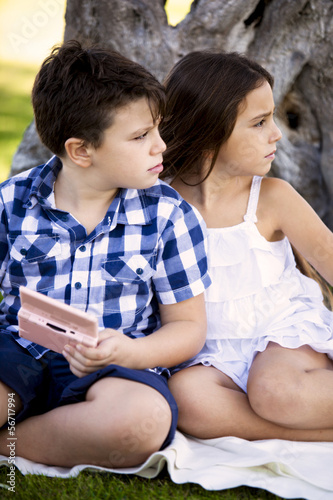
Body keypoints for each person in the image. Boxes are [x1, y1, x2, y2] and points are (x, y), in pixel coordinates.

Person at [0, 41, 211, 468]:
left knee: (142, 424)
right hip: (18, 353)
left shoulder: (168, 216)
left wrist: (129, 354)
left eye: (157, 130)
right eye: (140, 137)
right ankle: (38, 420)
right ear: (81, 151)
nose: (161, 147)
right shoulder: (11, 203)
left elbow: (188, 327)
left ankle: (12, 443)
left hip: (116, 367)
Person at [160, 50, 333, 441]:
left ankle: (288, 415)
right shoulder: (163, 206)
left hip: (281, 335)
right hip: (212, 351)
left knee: (275, 393)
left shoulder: (272, 197)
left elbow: (329, 257)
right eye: (259, 122)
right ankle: (311, 433)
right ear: (208, 132)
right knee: (187, 400)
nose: (276, 134)